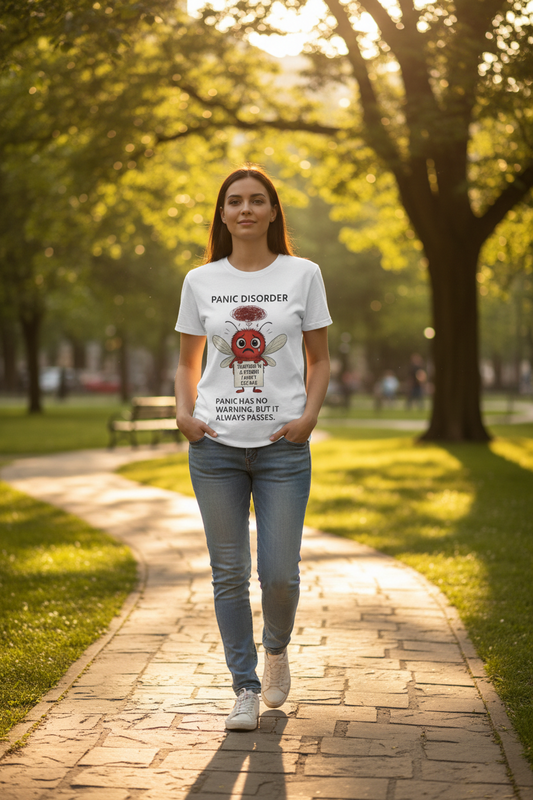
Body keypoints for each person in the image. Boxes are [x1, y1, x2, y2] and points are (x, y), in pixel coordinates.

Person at [174, 165, 331, 732]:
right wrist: (184, 414)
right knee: (228, 573)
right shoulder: (200, 280)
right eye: (235, 201)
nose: (245, 210)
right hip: (215, 450)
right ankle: (243, 686)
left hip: (283, 450)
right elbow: (190, 361)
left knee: (281, 574)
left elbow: (319, 358)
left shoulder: (303, 273)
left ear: (272, 212)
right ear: (222, 213)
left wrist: (308, 416)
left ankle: (277, 648)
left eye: (256, 201)